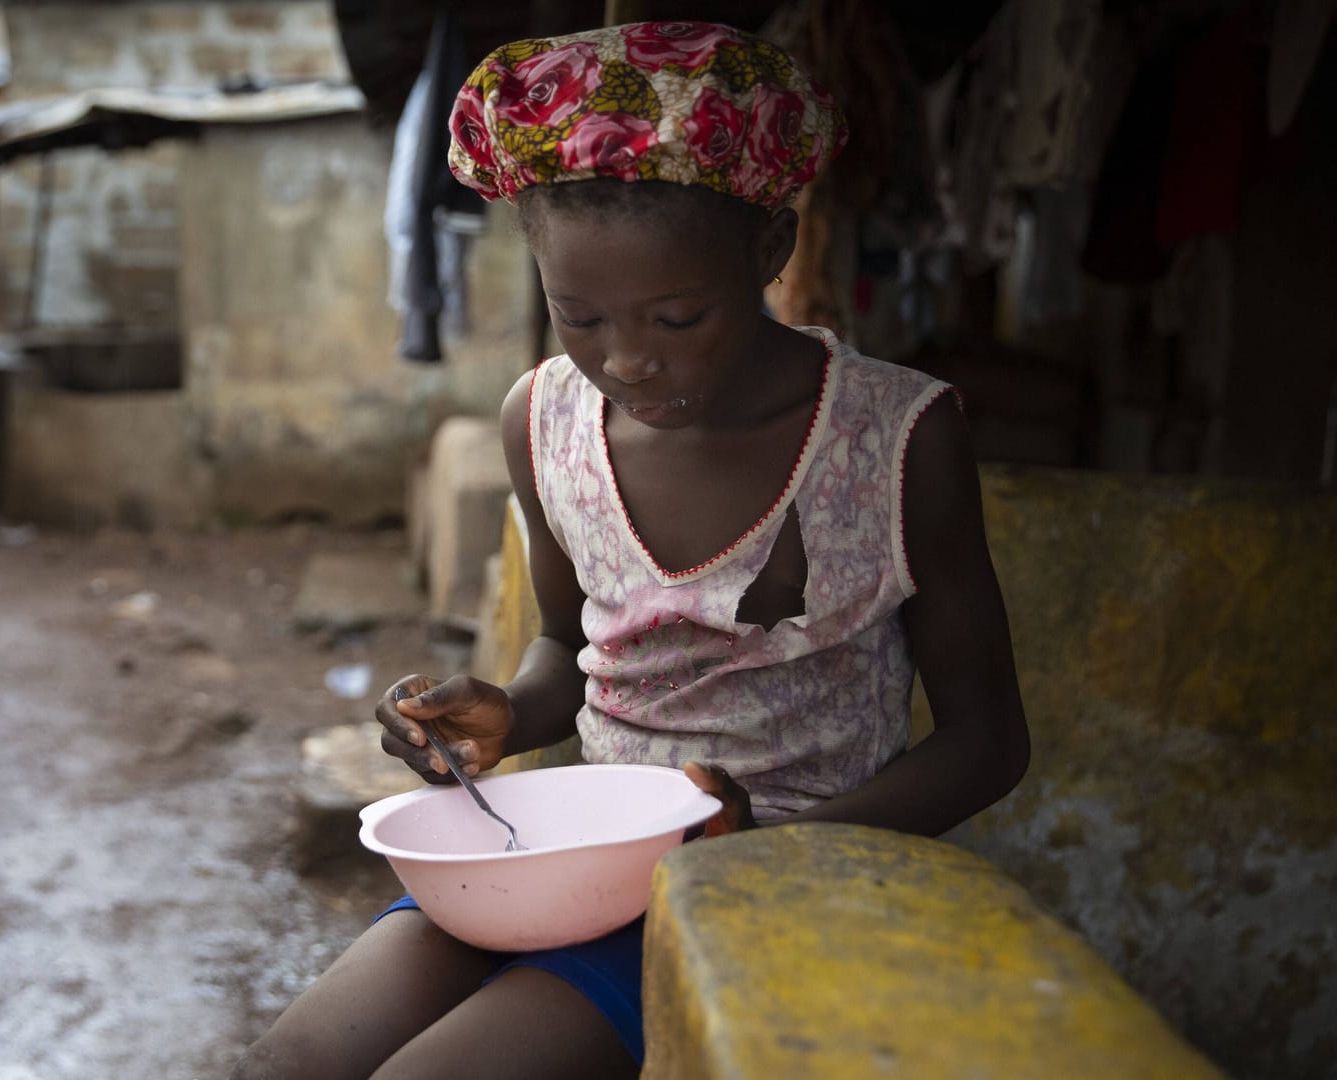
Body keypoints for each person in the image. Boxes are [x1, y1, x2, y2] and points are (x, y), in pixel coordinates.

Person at [234, 20, 1029, 1080]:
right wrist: (507, 715)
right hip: (567, 866)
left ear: (767, 252)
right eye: (581, 318)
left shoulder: (896, 440)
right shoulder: (544, 422)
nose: (628, 362)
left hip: (787, 882)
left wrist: (771, 852)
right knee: (286, 1065)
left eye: (677, 315)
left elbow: (986, 742)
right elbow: (573, 648)